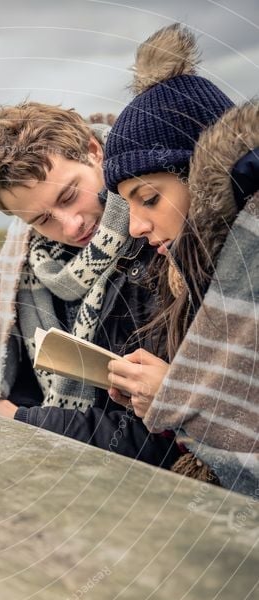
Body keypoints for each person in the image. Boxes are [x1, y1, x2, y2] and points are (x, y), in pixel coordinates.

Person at [0, 102, 181, 469]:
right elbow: (25, 390)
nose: (71, 225)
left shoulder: (162, 246)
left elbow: (165, 437)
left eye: (68, 195)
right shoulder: (29, 272)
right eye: (42, 219)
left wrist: (24, 423)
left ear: (95, 152)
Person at [103, 23, 258, 494]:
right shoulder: (190, 279)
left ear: (203, 179)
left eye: (148, 198)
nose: (135, 227)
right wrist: (158, 397)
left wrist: (180, 397)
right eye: (126, 205)